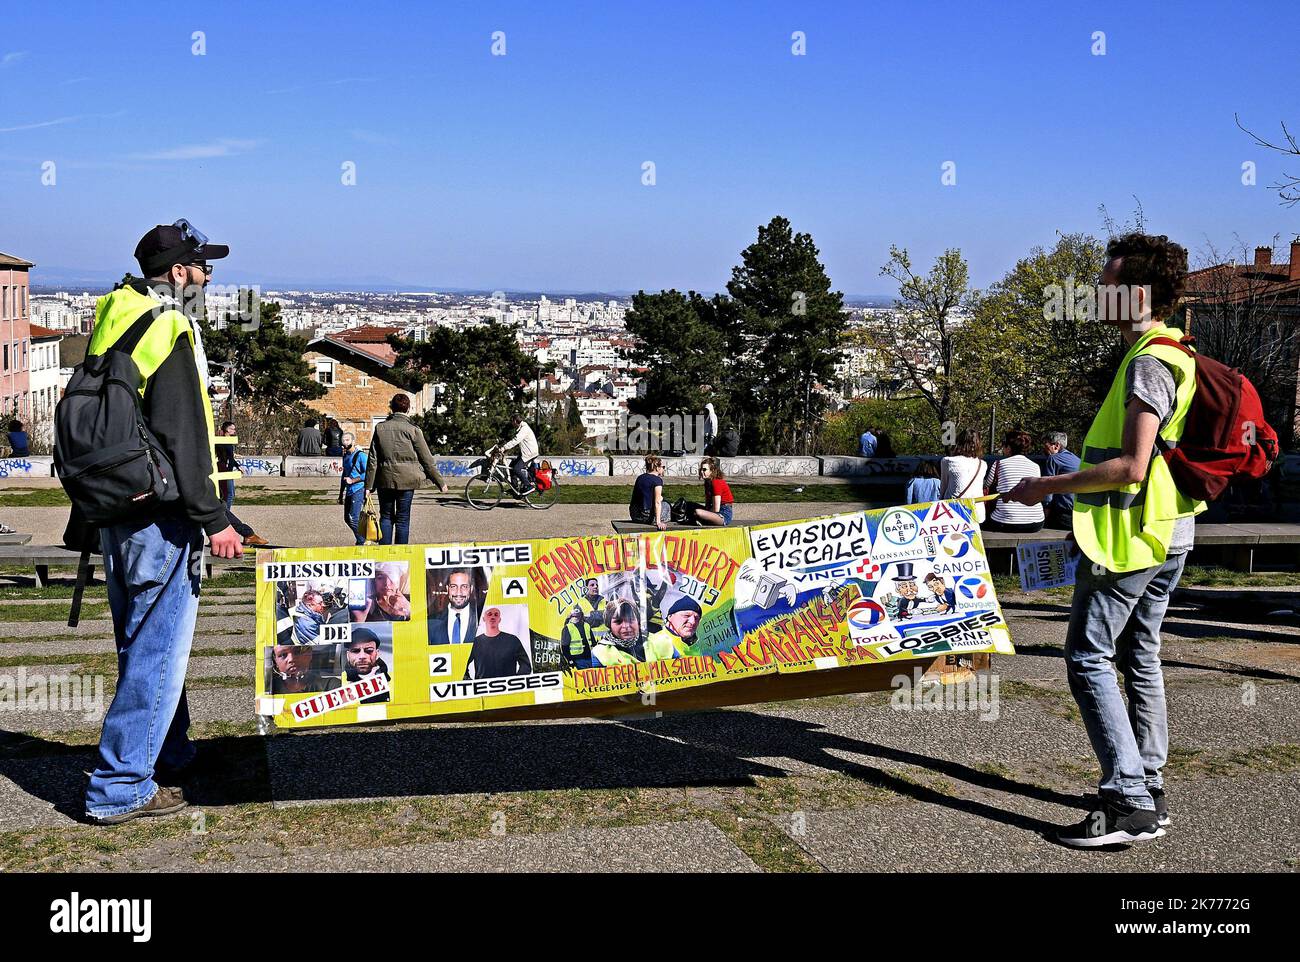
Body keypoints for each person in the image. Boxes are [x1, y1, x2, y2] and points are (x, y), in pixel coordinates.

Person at [1004, 232, 1205, 848]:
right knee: (1138, 653)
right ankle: (1149, 784)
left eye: (1108, 283)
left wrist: (1048, 485)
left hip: (1130, 535)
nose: (1095, 293)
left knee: (1089, 655)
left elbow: (1132, 465)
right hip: (1170, 529)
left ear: (1137, 294)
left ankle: (1126, 803)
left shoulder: (1148, 359)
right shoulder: (1176, 350)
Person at [83, 220, 244, 826]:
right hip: (163, 517)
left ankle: (169, 754)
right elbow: (185, 434)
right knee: (157, 653)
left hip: (118, 513)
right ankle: (119, 787)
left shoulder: (115, 313)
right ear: (179, 273)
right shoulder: (171, 326)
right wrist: (213, 518)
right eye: (203, 268)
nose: (208, 278)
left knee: (144, 646)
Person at [365, 393, 448, 545]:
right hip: (407, 480)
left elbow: (373, 459)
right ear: (408, 409)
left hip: (385, 479)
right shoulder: (414, 430)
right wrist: (440, 482)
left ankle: (385, 553)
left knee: (386, 517)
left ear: (391, 408)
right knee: (403, 519)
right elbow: (427, 459)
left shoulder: (380, 428)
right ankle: (401, 554)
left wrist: (368, 486)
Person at [982, 428, 1045, 533]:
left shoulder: (999, 464)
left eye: (1004, 446)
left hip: (1005, 521)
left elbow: (987, 485)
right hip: (1036, 522)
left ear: (1009, 448)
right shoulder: (1035, 466)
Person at [216, 420, 268, 547]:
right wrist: (236, 465)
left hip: (226, 469)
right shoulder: (223, 440)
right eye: (232, 429)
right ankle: (233, 521)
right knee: (227, 496)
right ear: (227, 430)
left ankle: (243, 531)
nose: (234, 431)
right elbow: (227, 457)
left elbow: (230, 457)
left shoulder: (226, 441)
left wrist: (236, 464)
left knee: (229, 495)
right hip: (223, 470)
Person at [464, 607, 532, 679]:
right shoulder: (475, 643)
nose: (493, 617)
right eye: (489, 614)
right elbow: (462, 665)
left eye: (496, 615)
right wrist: (470, 683)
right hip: (483, 689)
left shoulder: (512, 640)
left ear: (499, 619)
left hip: (507, 688)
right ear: (484, 618)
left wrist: (516, 681)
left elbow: (526, 665)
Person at [940, 429, 990, 523]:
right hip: (976, 511)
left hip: (953, 511)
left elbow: (943, 488)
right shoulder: (982, 464)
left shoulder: (947, 461)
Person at [1041, 431, 1081, 529]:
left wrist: (1045, 513)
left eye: (1046, 445)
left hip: (1062, 515)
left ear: (1056, 445)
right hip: (1077, 514)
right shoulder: (1077, 460)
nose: (1043, 449)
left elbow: (1048, 488)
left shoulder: (1053, 459)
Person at [429, 568, 479, 645]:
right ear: (447, 589)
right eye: (453, 586)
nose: (458, 592)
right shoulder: (431, 622)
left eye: (464, 586)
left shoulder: (482, 621)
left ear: (471, 589)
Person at [645, 595, 702, 660]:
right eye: (686, 615)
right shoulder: (654, 642)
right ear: (670, 617)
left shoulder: (697, 647)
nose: (693, 622)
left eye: (697, 618)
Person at [591, 599, 648, 666]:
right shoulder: (599, 652)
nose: (626, 626)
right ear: (609, 625)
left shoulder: (654, 642)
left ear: (638, 621)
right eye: (618, 622)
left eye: (630, 620)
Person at [343, 628, 390, 703]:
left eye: (369, 651)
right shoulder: (340, 681)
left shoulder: (392, 681)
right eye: (355, 651)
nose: (362, 656)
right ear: (348, 655)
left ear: (377, 654)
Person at [269, 645, 340, 695]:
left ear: (309, 654)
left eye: (297, 652)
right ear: (275, 661)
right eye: (282, 655)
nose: (291, 659)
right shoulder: (269, 688)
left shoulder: (331, 686)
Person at [684, 456, 734, 526]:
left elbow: (716, 509)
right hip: (713, 511)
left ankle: (697, 520)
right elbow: (707, 505)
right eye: (701, 469)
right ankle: (697, 520)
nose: (701, 472)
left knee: (698, 512)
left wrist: (704, 513)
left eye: (704, 469)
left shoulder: (716, 482)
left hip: (723, 514)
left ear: (712, 471)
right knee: (688, 505)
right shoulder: (707, 483)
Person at [338, 433, 368, 545]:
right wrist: (341, 493)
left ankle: (362, 540)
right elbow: (344, 475)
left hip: (358, 489)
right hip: (349, 491)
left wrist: (353, 480)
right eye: (343, 440)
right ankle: (362, 539)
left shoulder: (361, 456)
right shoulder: (346, 456)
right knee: (347, 518)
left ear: (353, 441)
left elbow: (368, 473)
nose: (345, 442)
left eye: (347, 440)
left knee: (353, 518)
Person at [500, 412, 539, 494]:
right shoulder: (521, 428)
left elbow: (515, 441)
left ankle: (529, 486)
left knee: (516, 468)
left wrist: (504, 448)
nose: (511, 424)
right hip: (526, 452)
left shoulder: (524, 429)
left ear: (515, 421)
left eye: (512, 422)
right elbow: (515, 442)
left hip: (530, 453)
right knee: (512, 466)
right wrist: (505, 449)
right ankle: (515, 488)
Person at [629, 455, 670, 529]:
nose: (664, 469)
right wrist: (658, 522)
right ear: (657, 468)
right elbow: (657, 502)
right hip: (646, 517)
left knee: (662, 500)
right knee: (667, 505)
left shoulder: (640, 477)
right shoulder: (657, 480)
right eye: (663, 467)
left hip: (635, 515)